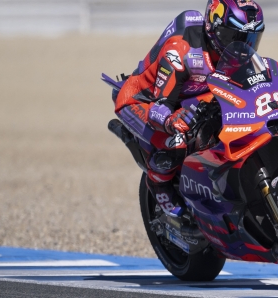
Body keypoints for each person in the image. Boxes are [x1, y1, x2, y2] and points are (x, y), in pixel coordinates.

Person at [113, 0, 265, 216]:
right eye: (235, 38)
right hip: (143, 100)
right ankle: (159, 185)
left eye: (251, 39)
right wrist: (170, 120)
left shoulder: (232, 52)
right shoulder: (180, 51)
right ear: (214, 29)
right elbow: (160, 106)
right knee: (176, 142)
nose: (243, 48)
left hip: (190, 93)